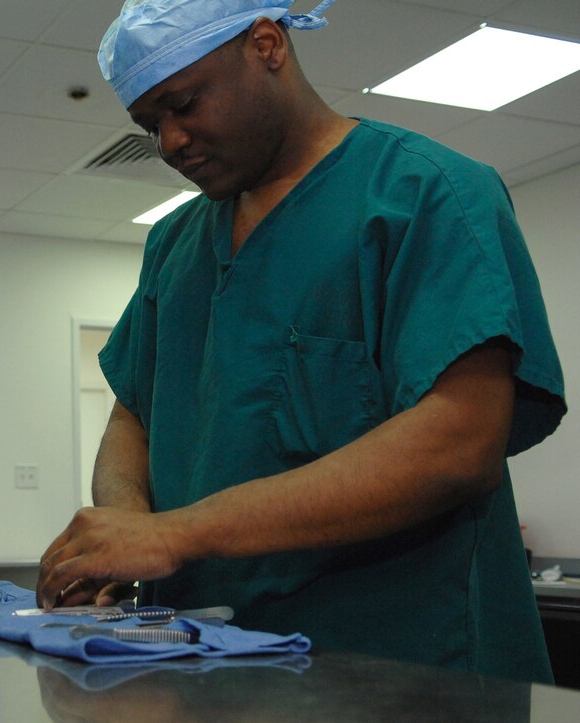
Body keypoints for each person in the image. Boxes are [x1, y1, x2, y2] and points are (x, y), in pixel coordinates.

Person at [36, 0, 567, 683]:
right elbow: (134, 413)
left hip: (401, 670)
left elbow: (459, 444)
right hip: (202, 669)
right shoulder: (176, 244)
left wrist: (175, 534)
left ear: (266, 45)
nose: (169, 142)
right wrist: (123, 533)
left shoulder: (426, 195)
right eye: (149, 126)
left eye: (185, 103)